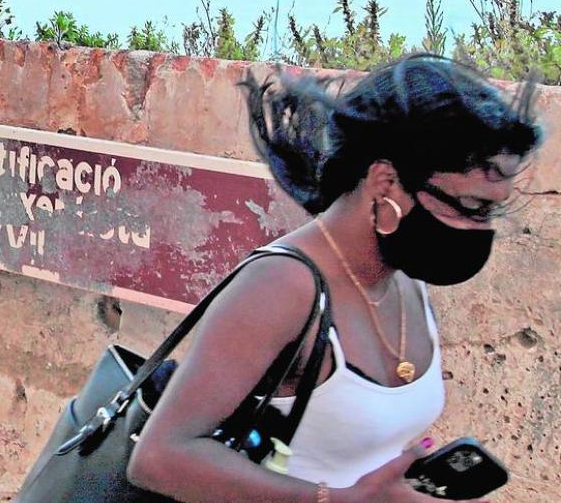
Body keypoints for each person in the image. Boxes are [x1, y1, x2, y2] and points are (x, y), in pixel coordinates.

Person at [126, 54, 542, 503]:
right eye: (471, 207)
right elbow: (160, 459)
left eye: (492, 211)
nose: (483, 230)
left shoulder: (405, 280)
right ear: (386, 182)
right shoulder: (282, 287)